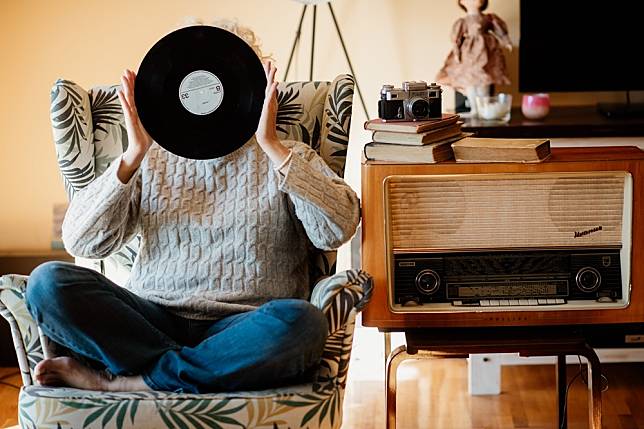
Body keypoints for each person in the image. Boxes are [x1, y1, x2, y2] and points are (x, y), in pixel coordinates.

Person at [24, 23, 360, 394]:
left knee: (303, 325)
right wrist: (133, 156)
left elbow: (338, 227)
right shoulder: (148, 159)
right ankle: (200, 369)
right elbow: (81, 241)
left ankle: (128, 382)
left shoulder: (287, 156)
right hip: (151, 319)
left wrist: (274, 149)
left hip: (243, 326)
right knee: (47, 283)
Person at [435, 0, 512, 116]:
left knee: (484, 80)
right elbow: (457, 40)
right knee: (470, 81)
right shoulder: (463, 21)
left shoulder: (489, 18)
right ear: (462, 2)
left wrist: (507, 42)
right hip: (469, 54)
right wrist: (457, 54)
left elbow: (501, 32)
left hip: (486, 52)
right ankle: (474, 109)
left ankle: (483, 109)